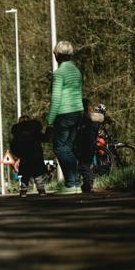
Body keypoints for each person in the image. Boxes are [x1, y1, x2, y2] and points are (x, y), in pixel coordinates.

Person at [48, 40, 85, 194]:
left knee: (60, 148)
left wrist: (50, 120)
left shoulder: (59, 73)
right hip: (78, 112)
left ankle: (71, 183)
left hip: (64, 114)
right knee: (68, 148)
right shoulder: (76, 71)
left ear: (57, 55)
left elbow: (56, 98)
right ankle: (75, 184)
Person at [11, 114, 47, 197]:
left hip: (25, 156)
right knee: (37, 173)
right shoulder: (35, 130)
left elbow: (13, 146)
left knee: (25, 175)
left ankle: (23, 191)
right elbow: (44, 138)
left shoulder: (18, 133)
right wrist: (49, 130)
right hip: (36, 155)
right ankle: (41, 190)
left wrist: (19, 155)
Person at [76, 99, 101, 193]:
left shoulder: (81, 118)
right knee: (87, 164)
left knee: (83, 165)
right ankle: (88, 184)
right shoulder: (95, 118)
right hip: (91, 144)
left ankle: (87, 185)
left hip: (83, 144)